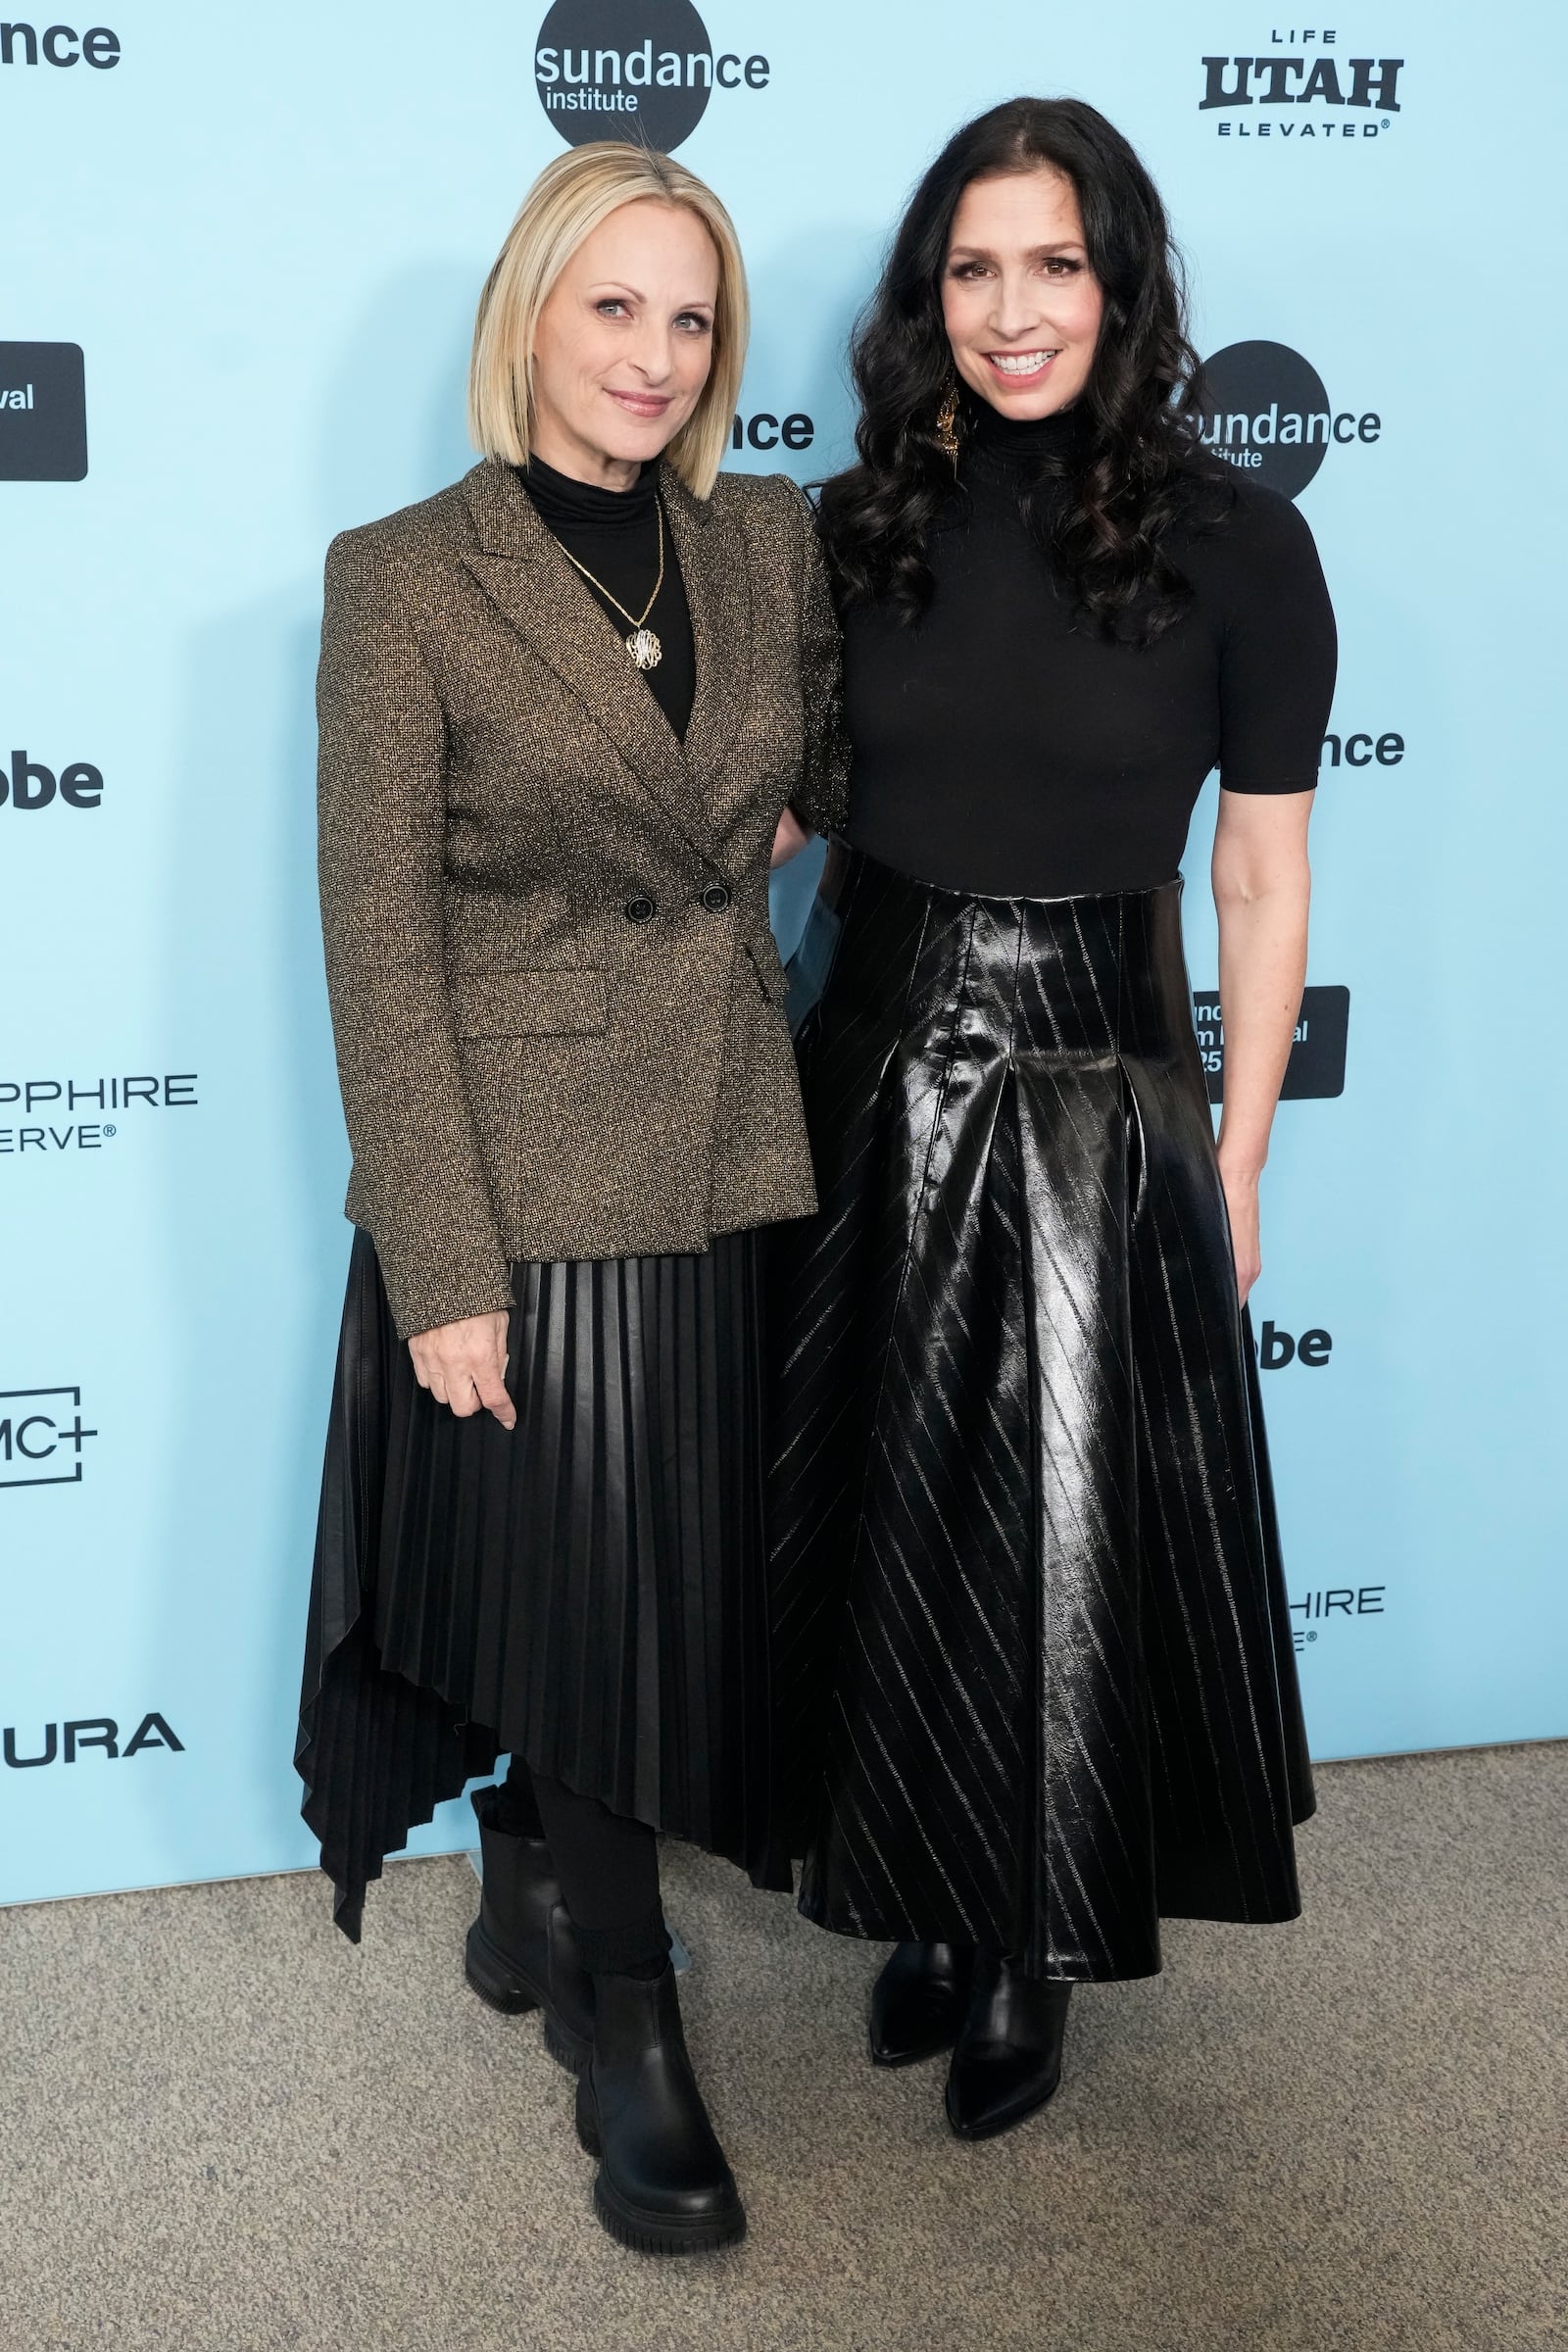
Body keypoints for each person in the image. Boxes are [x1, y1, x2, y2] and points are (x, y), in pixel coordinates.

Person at [296, 141, 846, 2255]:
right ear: (531, 310)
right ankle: (625, 2018)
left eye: (689, 316)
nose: (652, 354)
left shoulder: (763, 541)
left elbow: (835, 767)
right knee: (598, 1594)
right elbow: (376, 944)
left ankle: (528, 1873)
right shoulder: (403, 575)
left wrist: (774, 822)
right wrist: (440, 1264)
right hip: (516, 1178)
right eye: (613, 306)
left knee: (654, 1580)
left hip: (719, 1139)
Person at [769, 96, 1335, 2142]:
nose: (1014, 313)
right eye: (974, 270)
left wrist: (1240, 1153)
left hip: (1100, 1080)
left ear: (1120, 282)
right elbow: (783, 815)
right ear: (932, 296)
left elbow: (1259, 881)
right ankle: (919, 1890)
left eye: (1055, 265)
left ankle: (1021, 1933)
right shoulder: (855, 531)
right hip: (864, 1054)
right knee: (885, 1498)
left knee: (1053, 1522)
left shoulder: (1239, 544)